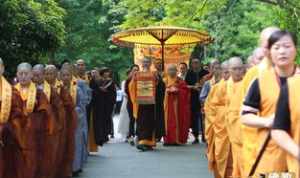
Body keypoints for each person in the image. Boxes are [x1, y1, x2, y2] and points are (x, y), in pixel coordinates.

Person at [241, 30, 294, 176]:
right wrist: (266, 122)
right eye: (275, 46)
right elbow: (244, 115)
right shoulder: (257, 78)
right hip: (266, 148)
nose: (282, 51)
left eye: (286, 46)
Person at [266, 31, 300, 178]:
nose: (282, 51)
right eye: (278, 47)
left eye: (287, 46)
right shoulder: (292, 87)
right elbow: (278, 129)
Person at [15, 62, 52, 178]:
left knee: (33, 166)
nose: (23, 76)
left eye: (26, 73)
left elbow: (46, 113)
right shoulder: (10, 92)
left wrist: (31, 120)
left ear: (31, 75)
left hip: (33, 136)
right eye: (21, 73)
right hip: (14, 137)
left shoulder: (39, 94)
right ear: (17, 74)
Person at [33, 64, 64, 178]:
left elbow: (58, 108)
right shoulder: (25, 88)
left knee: (45, 154)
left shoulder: (51, 90)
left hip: (47, 126)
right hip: (31, 127)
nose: (35, 78)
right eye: (34, 75)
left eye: (38, 75)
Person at [129, 57, 164, 151]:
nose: (146, 63)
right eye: (144, 62)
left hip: (151, 102)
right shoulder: (137, 73)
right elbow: (131, 86)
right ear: (141, 63)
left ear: (150, 63)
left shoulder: (154, 73)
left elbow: (160, 86)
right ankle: (142, 142)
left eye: (147, 62)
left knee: (150, 121)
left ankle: (149, 143)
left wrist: (158, 81)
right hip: (140, 102)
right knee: (142, 122)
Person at [204, 60, 231, 178]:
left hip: (233, 128)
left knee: (232, 158)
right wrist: (216, 120)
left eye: (229, 71)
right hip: (218, 127)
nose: (227, 74)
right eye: (224, 71)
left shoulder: (241, 87)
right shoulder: (215, 88)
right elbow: (208, 107)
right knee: (218, 154)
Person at [0, 58, 25, 178]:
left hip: (5, 138)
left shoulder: (11, 91)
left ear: (2, 68)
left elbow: (18, 115)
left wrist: (6, 127)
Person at [225, 57, 245, 177]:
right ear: (229, 70)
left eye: (240, 68)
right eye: (234, 69)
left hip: (245, 129)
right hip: (232, 128)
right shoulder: (225, 86)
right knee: (236, 161)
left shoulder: (248, 84)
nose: (237, 71)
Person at [57, 67, 77, 178]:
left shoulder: (77, 86)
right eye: (63, 75)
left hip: (69, 120)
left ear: (71, 76)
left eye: (67, 75)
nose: (65, 78)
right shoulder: (56, 88)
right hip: (57, 122)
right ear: (59, 76)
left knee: (69, 145)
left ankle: (71, 168)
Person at [163, 64, 190, 145]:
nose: (172, 71)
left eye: (173, 70)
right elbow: (159, 92)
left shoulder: (180, 81)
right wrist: (166, 91)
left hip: (177, 106)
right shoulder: (164, 81)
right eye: (170, 70)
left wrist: (178, 90)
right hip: (166, 105)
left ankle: (176, 139)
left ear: (176, 71)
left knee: (177, 121)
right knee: (166, 122)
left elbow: (185, 91)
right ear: (167, 71)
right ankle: (167, 140)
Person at [90, 67, 116, 146]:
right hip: (98, 104)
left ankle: (106, 134)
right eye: (105, 72)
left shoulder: (110, 82)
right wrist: (100, 90)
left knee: (107, 119)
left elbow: (113, 93)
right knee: (100, 120)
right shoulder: (94, 81)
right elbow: (92, 91)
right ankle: (101, 136)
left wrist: (111, 99)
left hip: (107, 103)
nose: (107, 73)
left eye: (108, 72)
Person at [185, 58, 209, 144]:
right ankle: (195, 137)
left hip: (204, 98)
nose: (195, 64)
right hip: (193, 98)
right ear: (191, 64)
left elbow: (209, 84)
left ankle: (205, 136)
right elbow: (185, 85)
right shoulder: (189, 73)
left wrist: (202, 87)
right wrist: (193, 87)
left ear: (200, 63)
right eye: (193, 63)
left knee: (204, 117)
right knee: (194, 118)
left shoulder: (205, 73)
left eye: (197, 63)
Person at [125, 64, 140, 145]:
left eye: (137, 70)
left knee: (138, 119)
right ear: (131, 71)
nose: (136, 71)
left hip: (139, 102)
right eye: (134, 70)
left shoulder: (140, 79)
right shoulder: (128, 80)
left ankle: (138, 135)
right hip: (131, 102)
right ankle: (131, 134)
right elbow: (126, 91)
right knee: (132, 119)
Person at [153, 59, 166, 142]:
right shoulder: (153, 74)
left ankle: (163, 135)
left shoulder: (166, 74)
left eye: (161, 63)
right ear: (154, 65)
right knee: (156, 116)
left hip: (165, 97)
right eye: (157, 63)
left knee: (163, 117)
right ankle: (156, 134)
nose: (159, 65)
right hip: (155, 98)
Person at [117, 70, 131, 140]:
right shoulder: (124, 82)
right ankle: (125, 133)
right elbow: (123, 92)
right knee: (125, 116)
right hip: (127, 100)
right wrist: (128, 96)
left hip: (133, 101)